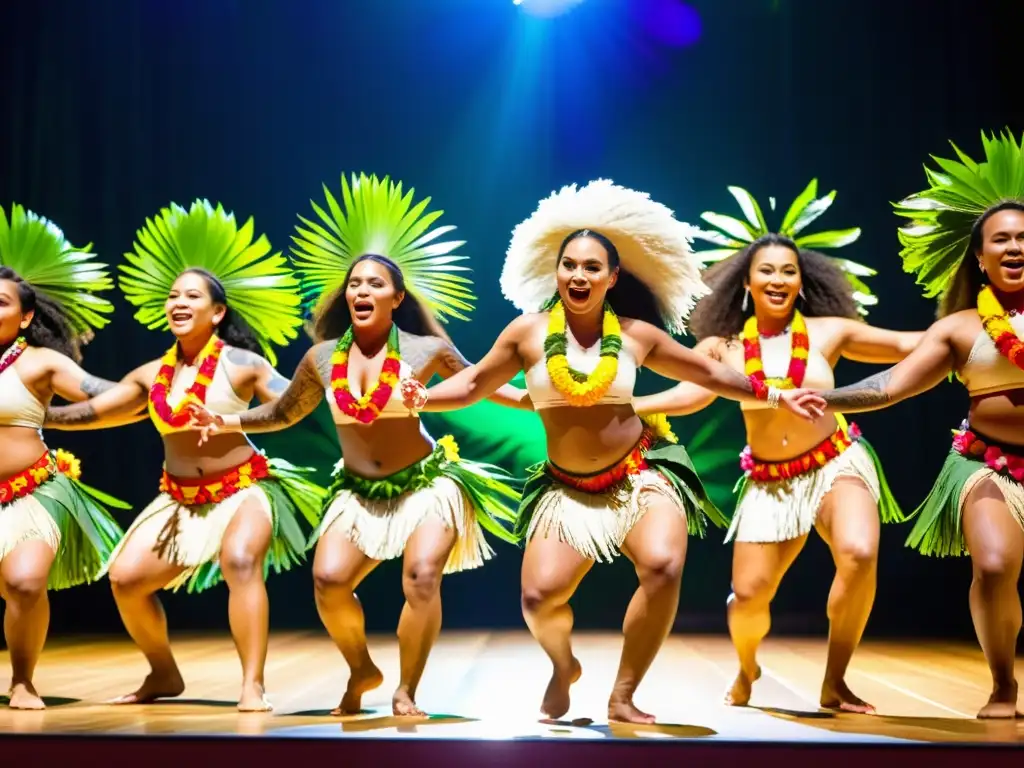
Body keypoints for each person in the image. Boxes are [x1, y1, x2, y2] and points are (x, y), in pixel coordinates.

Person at [398, 179, 825, 724]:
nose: (579, 275)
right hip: (567, 487)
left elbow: (712, 373)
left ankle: (623, 694)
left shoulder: (635, 335)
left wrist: (773, 392)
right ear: (556, 273)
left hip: (641, 473)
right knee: (538, 600)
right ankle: (563, 665)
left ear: (612, 277)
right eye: (570, 265)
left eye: (592, 267)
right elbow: (472, 385)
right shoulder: (527, 335)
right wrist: (421, 398)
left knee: (664, 565)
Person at [188, 173, 531, 717]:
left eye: (374, 284)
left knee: (420, 577)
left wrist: (544, 401)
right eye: (354, 284)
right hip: (357, 491)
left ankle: (406, 690)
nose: (361, 291)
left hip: (425, 484)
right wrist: (227, 422)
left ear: (396, 297)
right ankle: (361, 669)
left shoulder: (426, 349)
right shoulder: (322, 359)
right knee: (327, 582)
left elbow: (478, 384)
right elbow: (282, 413)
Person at [633, 181, 920, 713]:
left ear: (802, 281)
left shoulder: (830, 331)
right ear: (746, 281)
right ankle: (746, 669)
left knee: (858, 553)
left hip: (836, 460)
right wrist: (629, 405)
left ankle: (836, 681)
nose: (778, 279)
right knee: (747, 600)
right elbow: (690, 395)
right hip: (769, 480)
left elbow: (916, 346)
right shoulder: (724, 347)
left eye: (789, 270)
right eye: (766, 270)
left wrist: (981, 330)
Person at [43, 199, 323, 712]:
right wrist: (30, 415)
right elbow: (95, 413)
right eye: (173, 295)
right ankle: (163, 673)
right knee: (126, 580)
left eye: (191, 295)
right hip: (178, 499)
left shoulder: (243, 365)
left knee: (241, 563)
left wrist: (324, 363)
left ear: (217, 312)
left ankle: (252, 684)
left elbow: (291, 405)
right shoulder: (151, 374)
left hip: (243, 488)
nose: (178, 301)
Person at [812, 130, 1024, 719]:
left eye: (1023, 238)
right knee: (995, 564)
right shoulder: (959, 328)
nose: (1014, 248)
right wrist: (825, 398)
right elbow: (891, 385)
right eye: (1000, 240)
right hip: (989, 464)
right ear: (979, 258)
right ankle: (1004, 684)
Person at [0, 203, 130, 709]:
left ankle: (23, 680)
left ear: (26, 315)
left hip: (32, 491)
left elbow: (106, 395)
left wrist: (157, 395)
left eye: (2, 303)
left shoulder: (39, 362)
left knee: (25, 582)